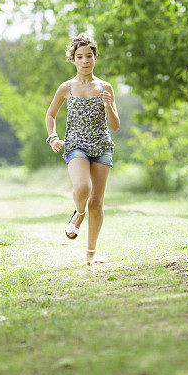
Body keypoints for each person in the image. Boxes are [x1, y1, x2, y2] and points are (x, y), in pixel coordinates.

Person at [45, 33, 120, 264]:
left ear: (96, 57)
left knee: (96, 202)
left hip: (101, 145)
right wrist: (53, 137)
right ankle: (79, 213)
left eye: (89, 56)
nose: (85, 60)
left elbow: (115, 125)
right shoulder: (66, 88)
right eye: (80, 57)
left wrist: (108, 106)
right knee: (82, 187)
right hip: (75, 144)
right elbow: (50, 115)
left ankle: (91, 254)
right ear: (73, 60)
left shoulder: (105, 87)